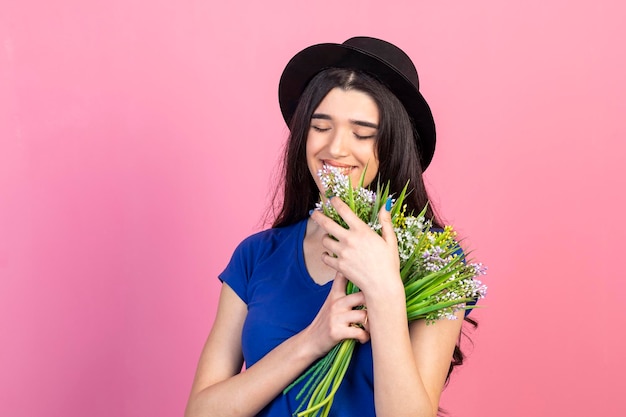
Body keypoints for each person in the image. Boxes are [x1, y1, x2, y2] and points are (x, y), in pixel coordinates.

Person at [185, 37, 473, 417]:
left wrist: (385, 290)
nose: (335, 149)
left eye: (362, 133)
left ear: (393, 144)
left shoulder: (434, 261)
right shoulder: (256, 256)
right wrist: (313, 339)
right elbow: (201, 412)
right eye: (321, 126)